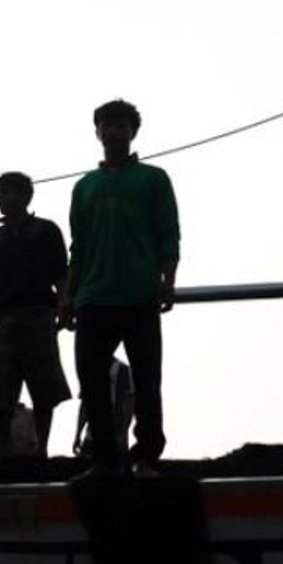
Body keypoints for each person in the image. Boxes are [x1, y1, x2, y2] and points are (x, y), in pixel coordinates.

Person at [59, 99, 179, 478]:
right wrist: (67, 296)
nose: (112, 131)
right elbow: (77, 247)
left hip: (140, 294)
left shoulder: (154, 179)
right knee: (91, 382)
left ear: (132, 131)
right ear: (97, 132)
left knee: (146, 381)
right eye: (106, 125)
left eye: (120, 125)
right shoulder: (84, 187)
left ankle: (146, 457)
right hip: (93, 297)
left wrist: (168, 281)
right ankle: (104, 461)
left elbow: (168, 234)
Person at [0, 171, 73, 456]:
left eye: (7, 192)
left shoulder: (46, 230)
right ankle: (5, 446)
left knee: (44, 386)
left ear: (24, 196)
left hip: (39, 314)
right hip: (3, 316)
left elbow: (61, 276)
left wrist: (64, 305)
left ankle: (41, 447)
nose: (2, 199)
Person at [73, 356, 135, 460]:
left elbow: (129, 406)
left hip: (115, 435)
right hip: (92, 436)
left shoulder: (123, 370)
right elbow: (84, 406)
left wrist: (123, 433)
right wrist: (78, 434)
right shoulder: (90, 371)